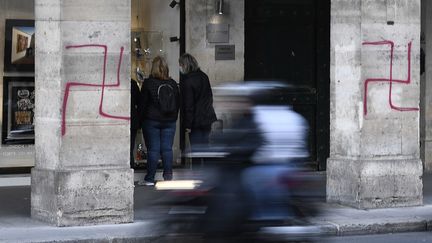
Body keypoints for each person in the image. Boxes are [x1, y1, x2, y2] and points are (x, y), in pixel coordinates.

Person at [140, 56, 180, 186]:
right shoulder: (173, 84)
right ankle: (168, 176)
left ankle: (150, 178)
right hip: (169, 121)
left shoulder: (148, 83)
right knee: (167, 149)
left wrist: (141, 120)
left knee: (153, 149)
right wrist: (174, 117)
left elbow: (143, 104)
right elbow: (178, 103)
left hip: (151, 120)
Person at [179, 53, 217, 163]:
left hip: (195, 121)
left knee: (196, 150)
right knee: (205, 148)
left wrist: (188, 125)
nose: (180, 67)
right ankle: (208, 175)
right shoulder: (204, 76)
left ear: (185, 65)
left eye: (181, 64)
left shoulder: (188, 81)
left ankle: (197, 176)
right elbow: (209, 97)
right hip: (207, 118)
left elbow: (189, 105)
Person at [130, 79, 141, 169]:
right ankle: (131, 167)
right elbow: (139, 101)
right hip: (132, 119)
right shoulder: (133, 83)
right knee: (130, 147)